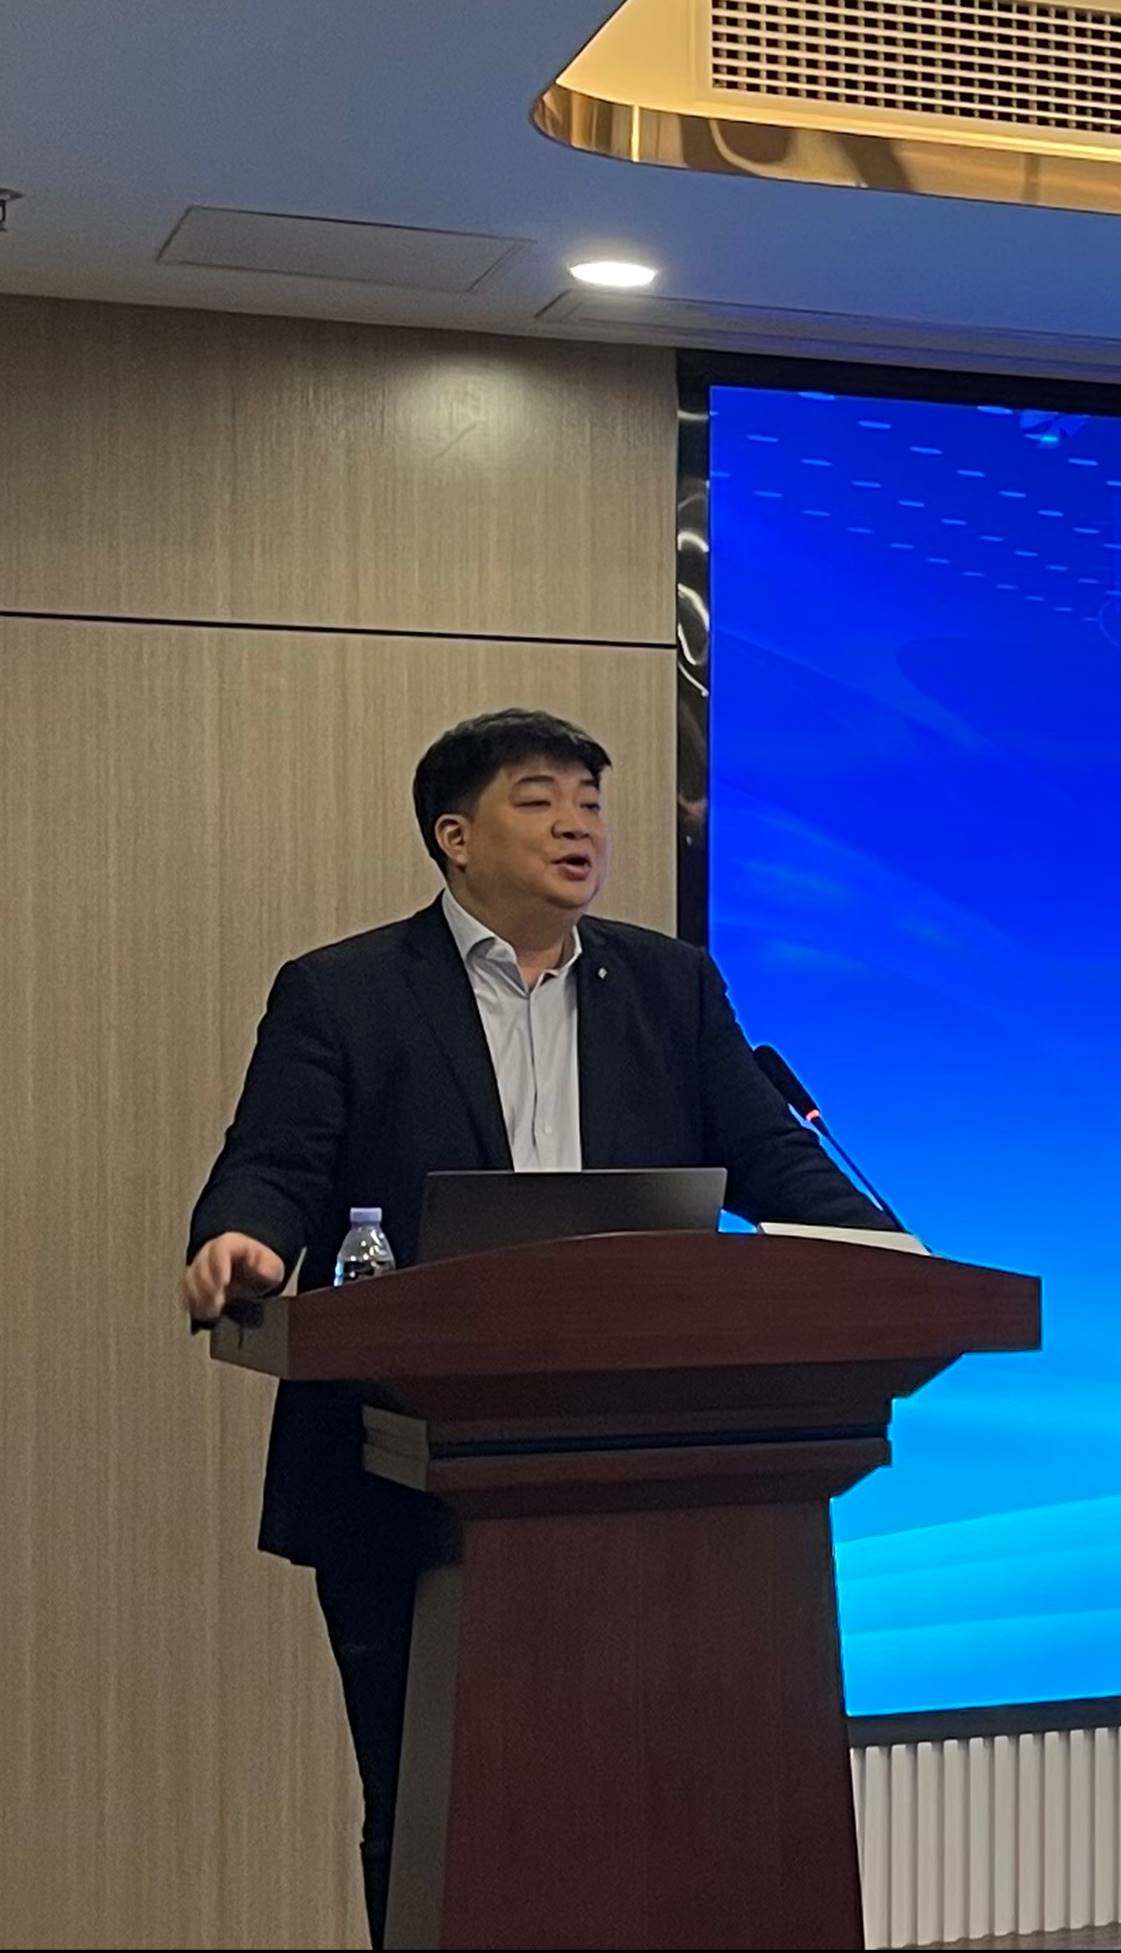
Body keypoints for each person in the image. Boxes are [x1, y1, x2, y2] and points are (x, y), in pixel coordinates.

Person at [179, 708, 885, 1946]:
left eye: (592, 803)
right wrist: (244, 1239)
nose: (578, 826)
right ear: (455, 837)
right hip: (405, 1468)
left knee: (665, 1803)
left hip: (655, 1469)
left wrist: (885, 1256)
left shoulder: (670, 986)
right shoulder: (345, 992)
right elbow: (276, 1161)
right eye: (539, 798)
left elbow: (767, 1154)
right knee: (431, 1803)